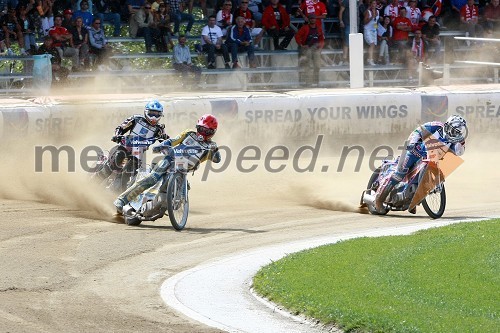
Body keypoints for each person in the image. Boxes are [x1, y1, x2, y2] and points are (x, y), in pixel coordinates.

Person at [113, 113, 221, 214]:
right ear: (197, 127)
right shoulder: (189, 133)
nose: (203, 133)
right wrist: (162, 145)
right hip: (170, 159)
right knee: (152, 178)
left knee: (185, 186)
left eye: (207, 131)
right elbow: (172, 141)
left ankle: (166, 200)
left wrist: (215, 151)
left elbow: (217, 159)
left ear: (213, 133)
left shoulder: (211, 145)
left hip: (184, 169)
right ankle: (122, 200)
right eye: (201, 129)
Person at [374, 114, 467, 213]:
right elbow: (418, 131)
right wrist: (413, 142)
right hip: (414, 152)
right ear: (448, 127)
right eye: (455, 131)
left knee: (427, 178)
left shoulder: (456, 140)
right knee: (400, 174)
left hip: (431, 159)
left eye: (459, 132)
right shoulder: (437, 126)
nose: (457, 134)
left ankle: (411, 199)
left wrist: (460, 143)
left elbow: (458, 153)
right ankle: (379, 199)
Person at [97, 100, 168, 189]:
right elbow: (121, 127)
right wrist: (117, 135)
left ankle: (122, 192)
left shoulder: (159, 128)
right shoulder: (136, 119)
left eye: (157, 114)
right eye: (152, 113)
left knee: (135, 171)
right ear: (146, 112)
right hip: (125, 146)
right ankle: (95, 180)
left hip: (139, 153)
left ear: (160, 115)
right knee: (117, 159)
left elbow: (165, 141)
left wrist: (168, 143)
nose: (154, 117)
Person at [295, 14, 324, 87]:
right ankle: (308, 82)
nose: (312, 20)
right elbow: (297, 36)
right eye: (311, 18)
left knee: (317, 66)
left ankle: (316, 82)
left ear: (315, 19)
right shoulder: (305, 28)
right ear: (309, 19)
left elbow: (321, 39)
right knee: (307, 65)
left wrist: (321, 47)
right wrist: (301, 45)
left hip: (316, 49)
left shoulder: (319, 28)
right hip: (307, 48)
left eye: (314, 18)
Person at [363, 0, 379, 66]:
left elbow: (375, 22)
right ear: (370, 4)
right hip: (368, 30)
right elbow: (365, 22)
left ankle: (369, 59)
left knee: (373, 45)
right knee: (372, 44)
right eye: (372, 3)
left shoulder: (377, 11)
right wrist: (372, 17)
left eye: (374, 3)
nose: (373, 5)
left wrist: (376, 28)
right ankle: (370, 59)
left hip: (374, 30)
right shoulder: (368, 12)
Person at [338, 0, 351, 65]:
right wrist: (341, 21)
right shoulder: (346, 1)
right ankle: (344, 58)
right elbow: (341, 12)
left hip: (355, 24)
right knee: (346, 41)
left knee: (352, 42)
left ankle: (348, 59)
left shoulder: (357, 2)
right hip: (347, 24)